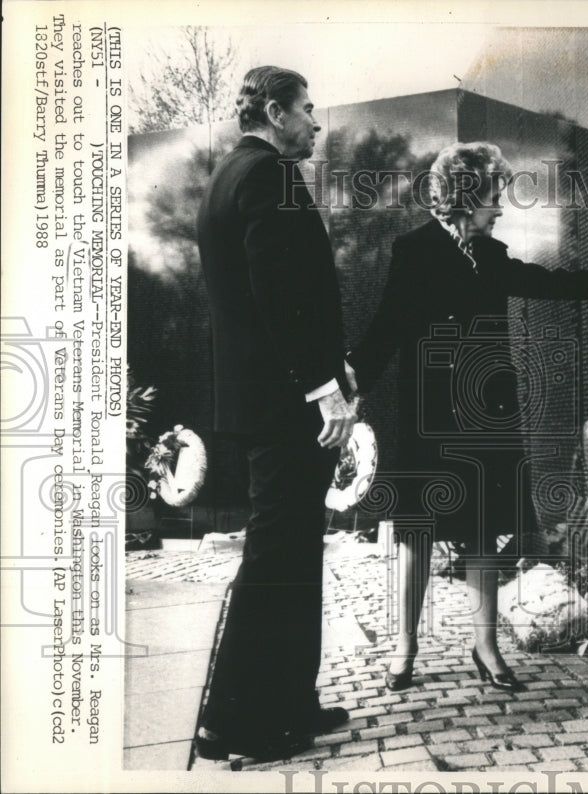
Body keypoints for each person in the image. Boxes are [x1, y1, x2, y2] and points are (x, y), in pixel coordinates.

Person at [347, 142, 588, 693]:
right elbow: (387, 328)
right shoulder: (414, 250)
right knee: (418, 532)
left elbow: (551, 284)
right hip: (429, 419)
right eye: (495, 197)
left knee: (479, 533)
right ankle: (405, 646)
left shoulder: (491, 257)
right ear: (468, 198)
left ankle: (486, 647)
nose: (501, 209)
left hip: (487, 418)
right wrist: (348, 385)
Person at [195, 65, 358, 760]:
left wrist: (333, 364)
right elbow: (278, 293)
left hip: (268, 397)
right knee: (276, 554)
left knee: (290, 551)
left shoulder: (232, 174)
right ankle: (234, 719)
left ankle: (289, 702)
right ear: (274, 111)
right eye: (307, 109)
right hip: (285, 402)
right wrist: (321, 383)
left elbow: (281, 296)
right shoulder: (267, 176)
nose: (316, 123)